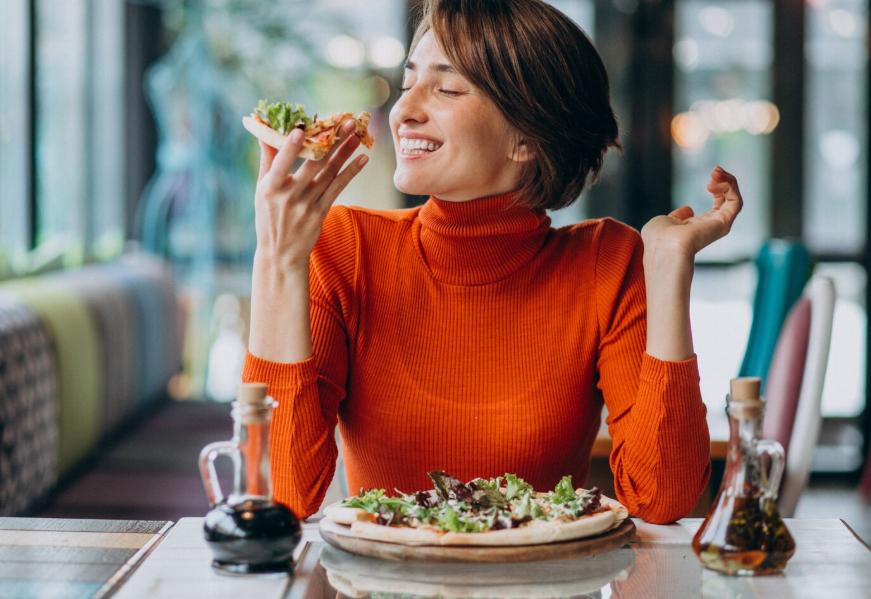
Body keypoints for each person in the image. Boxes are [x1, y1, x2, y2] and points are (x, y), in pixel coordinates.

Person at [243, 0, 743, 524]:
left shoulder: (609, 262)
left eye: (447, 88)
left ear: (527, 137)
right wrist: (277, 259)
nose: (403, 110)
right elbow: (279, 500)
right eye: (409, 79)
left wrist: (665, 271)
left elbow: (664, 498)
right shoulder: (344, 248)